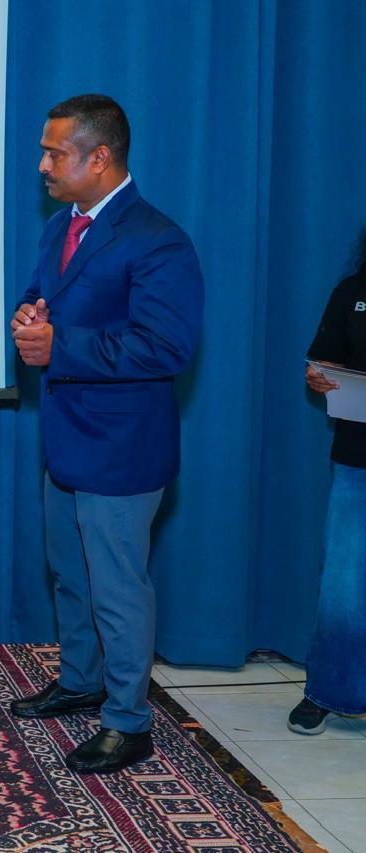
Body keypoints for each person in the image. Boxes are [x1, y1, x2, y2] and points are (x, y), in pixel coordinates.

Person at [9, 94, 203, 774]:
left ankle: (128, 721)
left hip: (122, 450)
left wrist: (59, 345)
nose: (42, 165)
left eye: (54, 153)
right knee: (71, 575)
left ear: (99, 157)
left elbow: (167, 346)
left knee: (118, 589)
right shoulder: (61, 225)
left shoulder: (157, 238)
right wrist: (28, 317)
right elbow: (40, 298)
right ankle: (82, 682)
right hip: (66, 438)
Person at [289, 228, 366, 735]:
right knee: (344, 582)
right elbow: (322, 360)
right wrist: (319, 376)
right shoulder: (352, 291)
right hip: (358, 458)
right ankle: (329, 691)